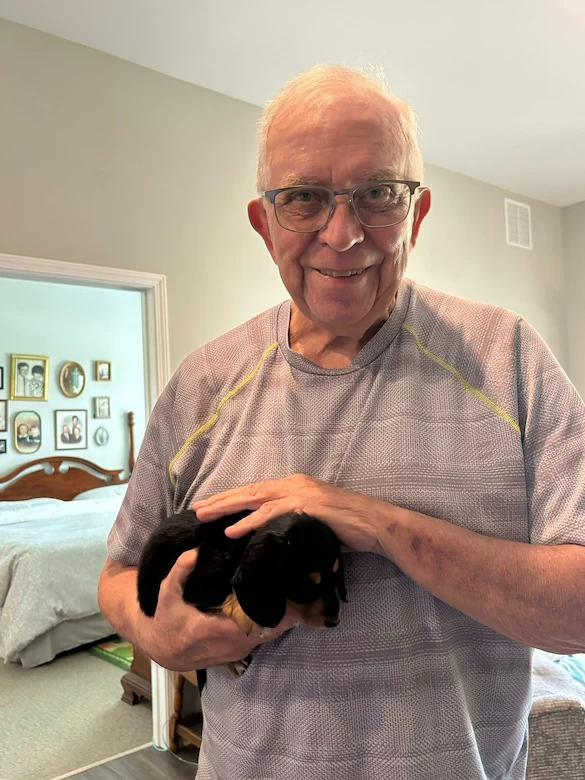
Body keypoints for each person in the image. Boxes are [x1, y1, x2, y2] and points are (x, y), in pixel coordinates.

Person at [98, 64, 585, 780]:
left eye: (377, 194)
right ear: (265, 223)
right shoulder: (202, 383)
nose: (341, 233)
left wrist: (375, 523)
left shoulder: (506, 359)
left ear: (415, 213)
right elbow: (118, 572)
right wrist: (154, 632)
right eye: (302, 198)